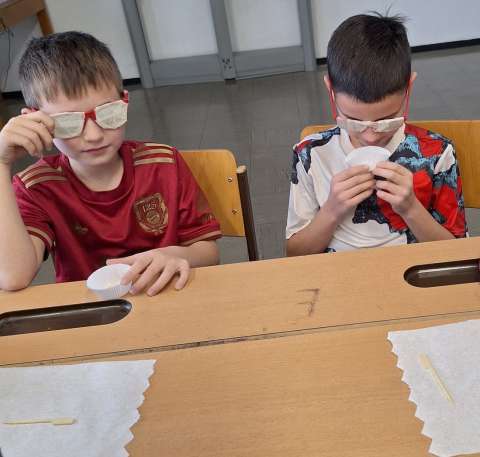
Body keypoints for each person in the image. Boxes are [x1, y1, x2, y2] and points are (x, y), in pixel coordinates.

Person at [0, 31, 221, 294]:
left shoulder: (164, 164)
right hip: (92, 310)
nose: (94, 135)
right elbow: (13, 277)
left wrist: (175, 256)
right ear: (33, 120)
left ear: (124, 100)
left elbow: (208, 252)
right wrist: (0, 163)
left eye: (109, 113)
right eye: (68, 122)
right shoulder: (37, 187)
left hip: (166, 296)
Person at [286, 13, 466, 256]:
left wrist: (411, 208)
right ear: (330, 90)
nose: (370, 137)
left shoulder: (437, 154)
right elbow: (295, 254)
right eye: (353, 120)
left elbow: (458, 253)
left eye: (386, 120)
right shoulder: (311, 155)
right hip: (335, 274)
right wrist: (331, 210)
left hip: (412, 271)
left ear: (409, 88)